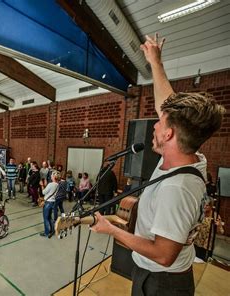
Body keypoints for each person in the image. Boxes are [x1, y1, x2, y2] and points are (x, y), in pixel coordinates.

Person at [91, 33, 225, 296]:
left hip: (161, 282)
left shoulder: (177, 188)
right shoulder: (188, 156)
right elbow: (166, 104)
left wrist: (111, 230)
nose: (154, 123)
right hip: (154, 273)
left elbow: (164, 255)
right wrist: (155, 61)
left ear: (169, 135)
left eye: (160, 123)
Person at [40, 171, 59, 238]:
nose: (50, 176)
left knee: (46, 218)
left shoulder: (51, 184)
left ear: (53, 177)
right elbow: (50, 192)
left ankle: (47, 232)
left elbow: (43, 192)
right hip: (53, 202)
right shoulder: (57, 184)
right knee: (49, 217)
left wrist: (42, 185)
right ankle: (52, 230)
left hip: (48, 202)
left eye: (51, 175)